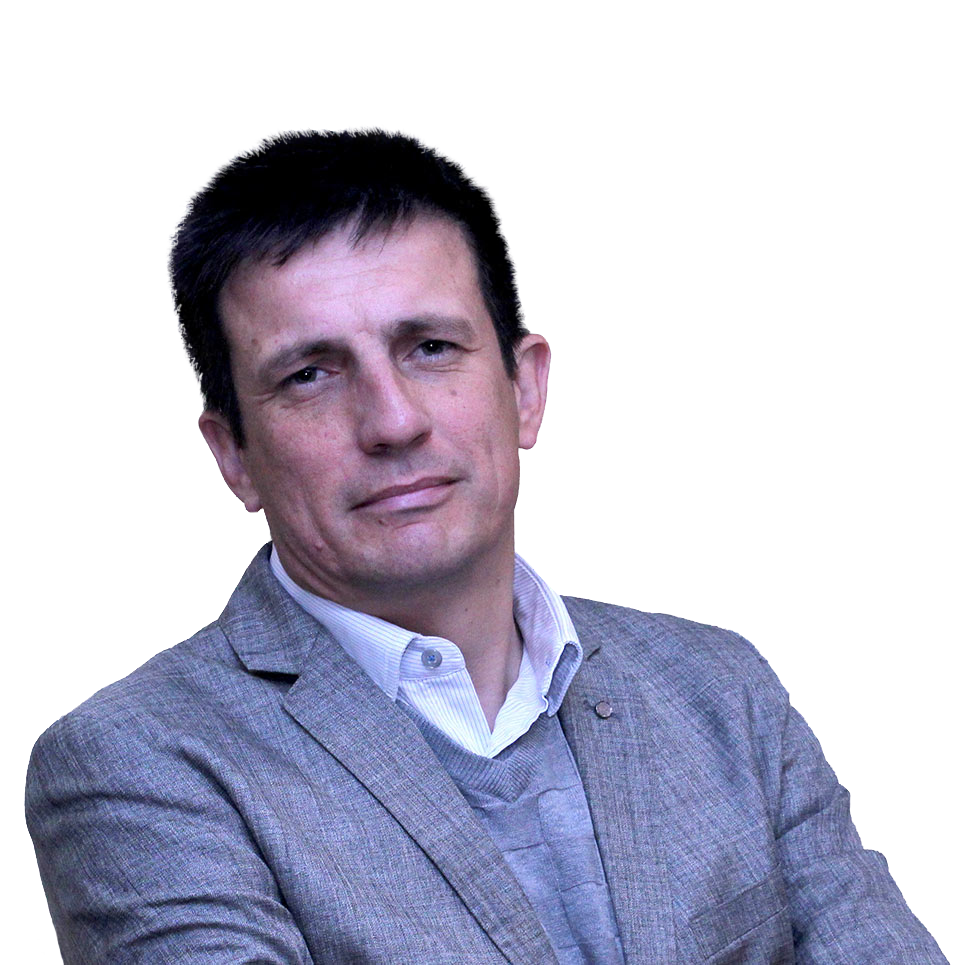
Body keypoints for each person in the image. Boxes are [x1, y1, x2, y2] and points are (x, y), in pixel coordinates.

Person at [25, 125, 948, 965]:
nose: (392, 421)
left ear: (525, 387)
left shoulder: (720, 691)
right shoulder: (137, 766)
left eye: (429, 347)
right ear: (234, 454)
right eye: (309, 374)